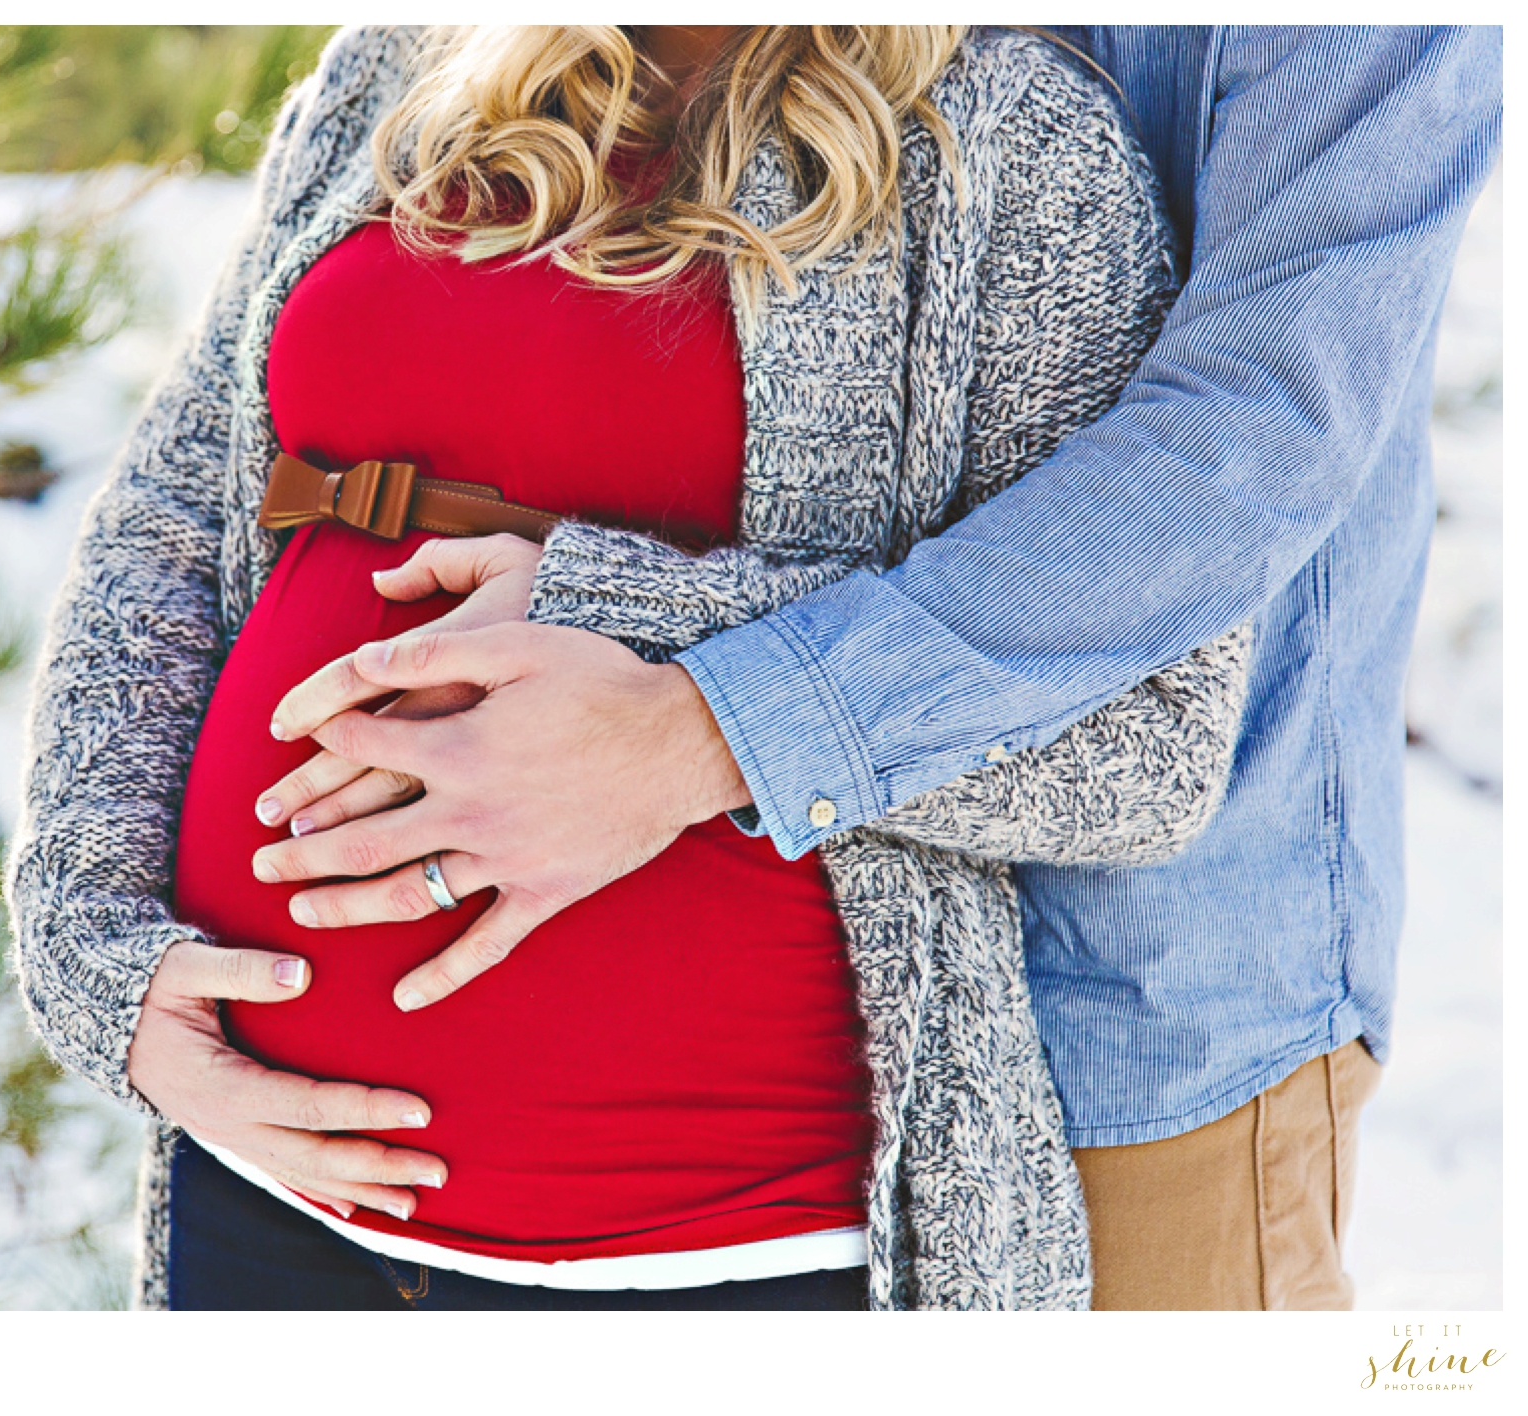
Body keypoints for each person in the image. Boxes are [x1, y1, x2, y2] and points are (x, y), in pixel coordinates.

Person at [8, 22, 1252, 1311]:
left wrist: (629, 617)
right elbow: (172, 516)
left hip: (727, 1250)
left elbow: (1137, 739)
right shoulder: (401, 63)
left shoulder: (1003, 140)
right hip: (265, 1204)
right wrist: (95, 944)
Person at [256, 26, 1504, 1309]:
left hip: (1144, 1000)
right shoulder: (462, 68)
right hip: (337, 1185)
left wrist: (692, 713)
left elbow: (1246, 435)